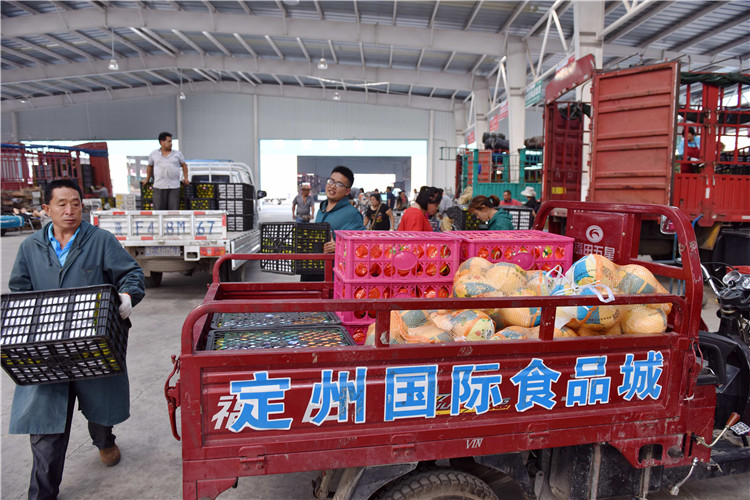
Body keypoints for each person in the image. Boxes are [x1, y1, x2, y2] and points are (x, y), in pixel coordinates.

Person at [8, 178, 145, 500]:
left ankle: (104, 440)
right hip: (45, 348)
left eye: (76, 204)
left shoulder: (100, 240)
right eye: (61, 204)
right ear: (46, 209)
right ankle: (41, 494)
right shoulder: (31, 247)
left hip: (92, 344)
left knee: (100, 410)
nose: (70, 211)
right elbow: (19, 288)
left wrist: (126, 296)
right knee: (45, 425)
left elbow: (131, 274)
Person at [315, 166, 366, 254]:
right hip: (319, 265)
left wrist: (340, 247)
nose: (332, 186)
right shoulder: (321, 210)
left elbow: (362, 247)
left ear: (347, 191)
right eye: (331, 181)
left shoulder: (352, 214)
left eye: (339, 184)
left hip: (337, 267)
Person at [143, 131, 190, 210]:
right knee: (158, 210)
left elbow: (184, 165)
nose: (170, 143)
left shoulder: (177, 154)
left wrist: (185, 178)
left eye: (171, 141)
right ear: (162, 142)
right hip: (159, 186)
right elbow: (150, 166)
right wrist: (147, 179)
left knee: (173, 210)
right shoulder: (154, 154)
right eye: (169, 141)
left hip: (174, 186)